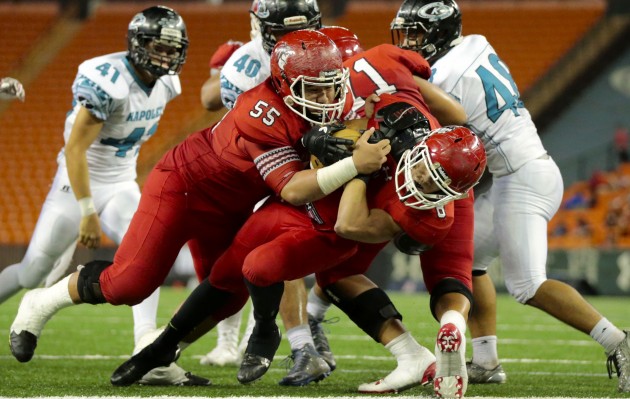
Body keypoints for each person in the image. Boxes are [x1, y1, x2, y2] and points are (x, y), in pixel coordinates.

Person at [9, 30, 389, 382]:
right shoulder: (259, 109)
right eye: (314, 90)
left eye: (331, 88)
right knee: (129, 284)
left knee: (229, 288)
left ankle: (163, 354)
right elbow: (291, 189)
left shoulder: (338, 95)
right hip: (186, 187)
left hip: (235, 202)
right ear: (285, 84)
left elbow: (355, 114)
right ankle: (40, 302)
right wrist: (353, 163)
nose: (326, 100)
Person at [391, 0, 630, 393]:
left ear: (439, 33)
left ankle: (618, 342)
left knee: (528, 285)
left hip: (524, 177)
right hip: (513, 175)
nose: (410, 41)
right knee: (468, 265)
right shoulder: (476, 43)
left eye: (416, 32)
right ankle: (486, 360)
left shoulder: (446, 76)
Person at [0, 6, 207, 386]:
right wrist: (86, 211)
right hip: (76, 184)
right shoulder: (107, 79)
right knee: (33, 272)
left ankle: (147, 346)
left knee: (148, 250)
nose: (165, 55)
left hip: (122, 183)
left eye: (171, 48)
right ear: (136, 43)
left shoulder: (167, 83)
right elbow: (76, 150)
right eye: (157, 46)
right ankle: (32, 303)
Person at [198, 0, 329, 374]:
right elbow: (211, 100)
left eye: (300, 29)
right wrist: (220, 70)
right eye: (282, 33)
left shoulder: (325, 53)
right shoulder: (246, 65)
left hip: (306, 160)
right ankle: (289, 339)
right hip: (260, 163)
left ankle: (304, 337)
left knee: (295, 253)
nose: (293, 41)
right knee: (246, 256)